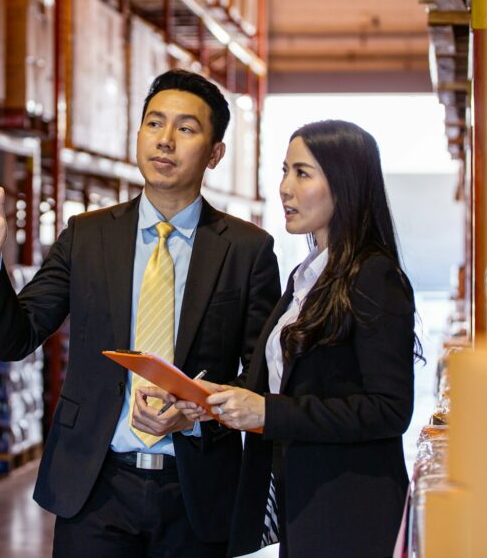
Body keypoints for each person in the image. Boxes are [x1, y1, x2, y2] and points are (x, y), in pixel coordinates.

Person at [0, 69, 281, 557]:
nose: (165, 141)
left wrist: (194, 416)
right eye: (154, 123)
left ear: (215, 154)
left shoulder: (248, 250)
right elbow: (14, 338)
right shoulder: (87, 236)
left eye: (186, 129)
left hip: (196, 491)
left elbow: (259, 380)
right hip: (95, 488)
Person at [163, 119, 420, 557]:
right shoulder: (308, 275)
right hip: (302, 499)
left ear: (345, 184)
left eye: (302, 173)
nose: (285, 187)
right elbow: (287, 384)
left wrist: (268, 412)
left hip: (349, 510)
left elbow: (390, 410)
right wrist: (216, 399)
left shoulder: (375, 276)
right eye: (285, 171)